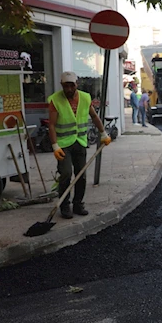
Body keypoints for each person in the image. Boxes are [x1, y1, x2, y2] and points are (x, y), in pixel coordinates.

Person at [49, 71, 111, 219]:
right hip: (63, 144)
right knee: (66, 174)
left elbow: (94, 116)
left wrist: (103, 134)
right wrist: (55, 146)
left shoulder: (85, 97)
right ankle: (64, 205)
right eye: (66, 86)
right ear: (61, 85)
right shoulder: (55, 100)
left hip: (80, 142)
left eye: (72, 85)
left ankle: (78, 204)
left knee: (81, 175)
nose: (69, 89)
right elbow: (51, 125)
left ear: (77, 84)